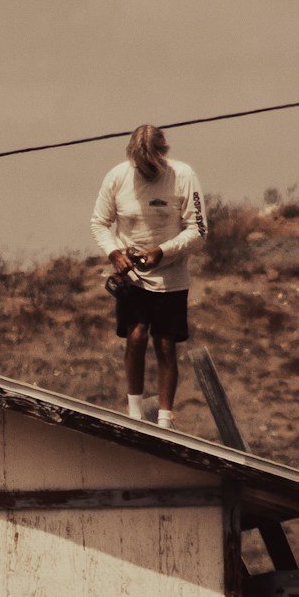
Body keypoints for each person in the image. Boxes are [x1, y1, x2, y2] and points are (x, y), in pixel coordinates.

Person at [89, 124, 206, 427]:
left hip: (171, 275)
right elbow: (99, 223)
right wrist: (116, 254)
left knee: (166, 344)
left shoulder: (183, 175)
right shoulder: (117, 177)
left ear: (162, 156)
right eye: (141, 166)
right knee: (136, 334)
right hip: (133, 275)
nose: (147, 171)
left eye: (152, 166)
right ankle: (134, 412)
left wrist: (162, 252)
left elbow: (199, 230)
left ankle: (165, 418)